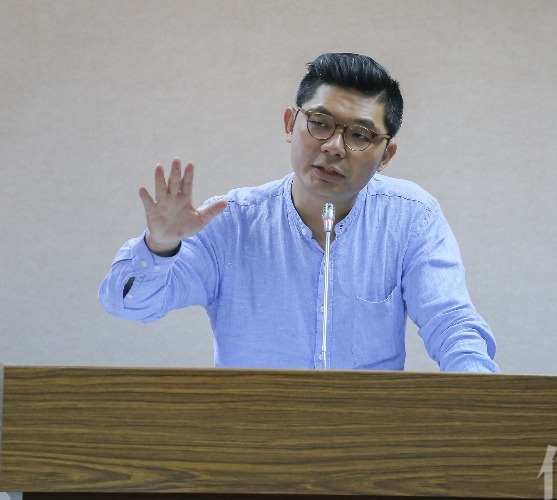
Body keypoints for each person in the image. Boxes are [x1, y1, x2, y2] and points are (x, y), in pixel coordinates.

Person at [99, 52, 498, 373]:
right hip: (254, 437)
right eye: (320, 123)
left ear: (386, 156)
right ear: (291, 123)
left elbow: (451, 323)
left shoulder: (411, 218)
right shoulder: (231, 223)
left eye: (359, 135)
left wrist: (481, 403)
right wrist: (160, 246)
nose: (334, 146)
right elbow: (129, 304)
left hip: (368, 437)